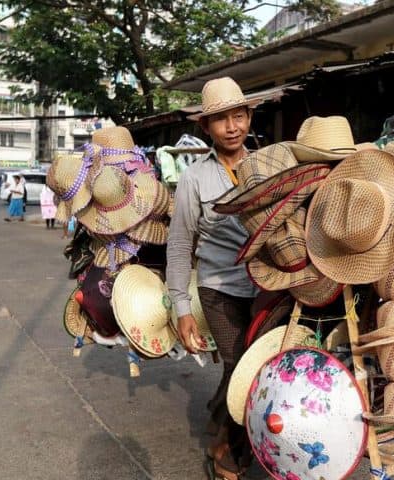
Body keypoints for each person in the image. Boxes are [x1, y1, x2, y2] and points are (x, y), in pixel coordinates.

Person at [166, 77, 261, 480]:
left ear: (249, 118)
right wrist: (181, 308)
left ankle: (228, 423)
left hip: (264, 285)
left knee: (261, 364)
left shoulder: (267, 166)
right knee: (239, 363)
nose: (232, 126)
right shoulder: (193, 179)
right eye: (221, 120)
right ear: (205, 128)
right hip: (219, 286)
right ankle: (223, 444)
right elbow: (179, 245)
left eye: (238, 116)